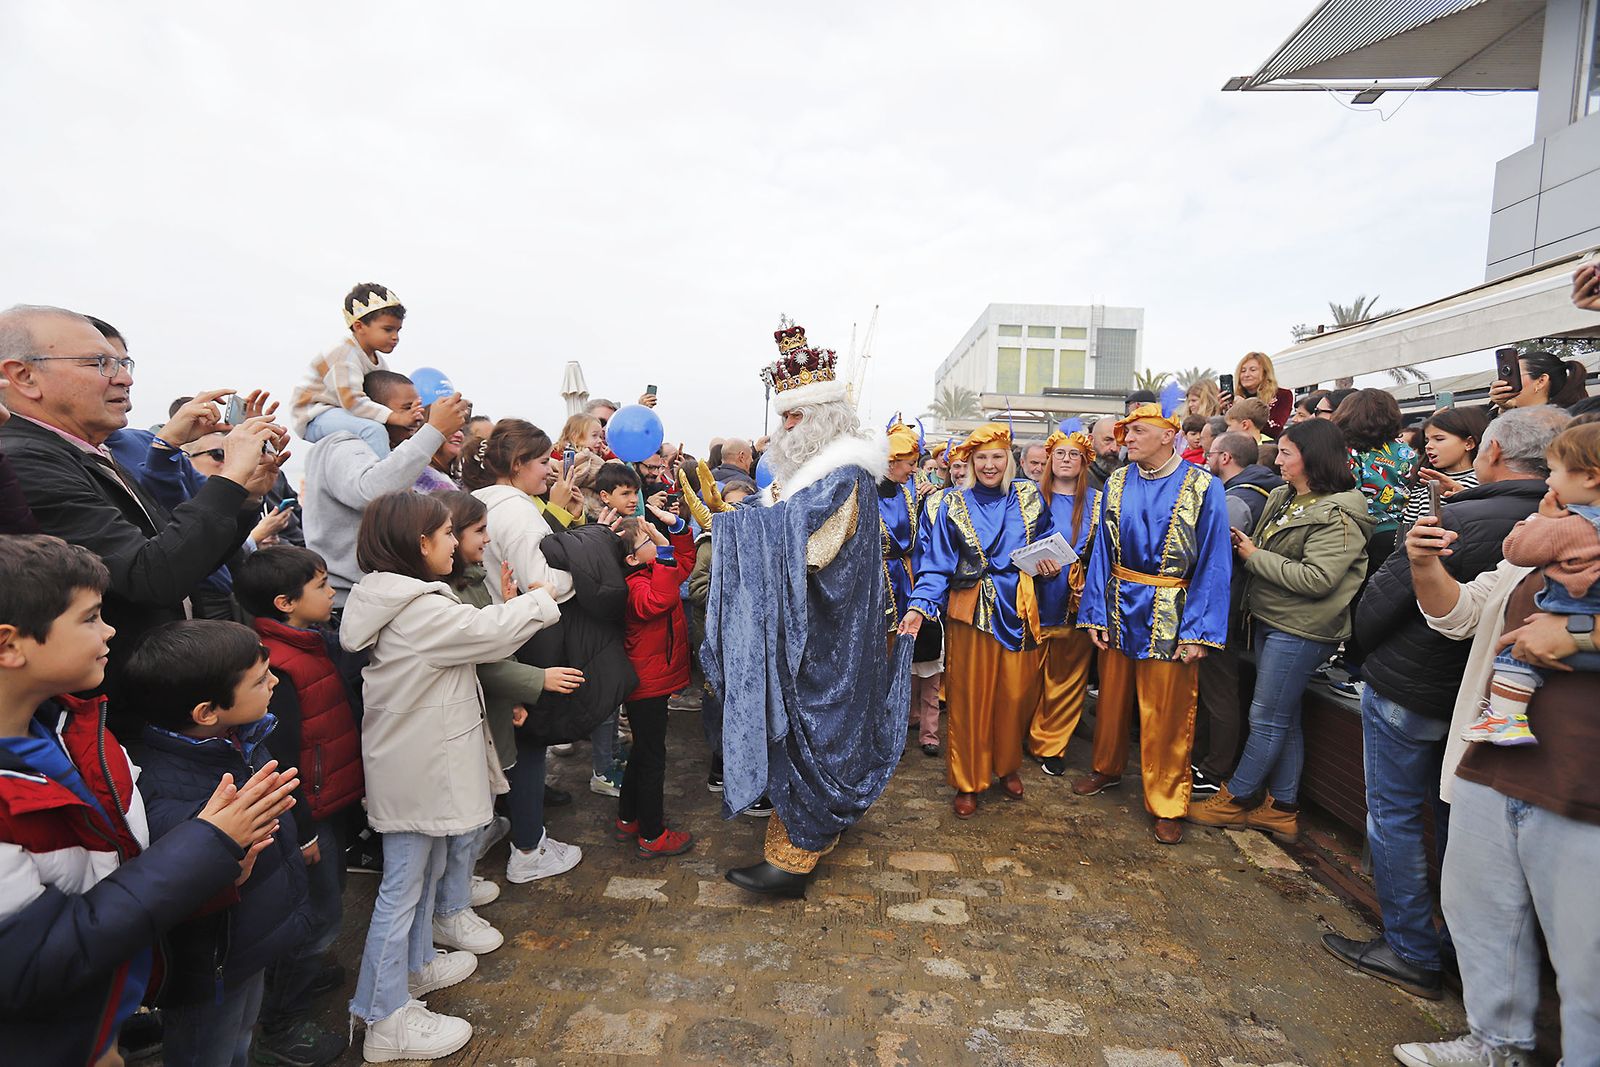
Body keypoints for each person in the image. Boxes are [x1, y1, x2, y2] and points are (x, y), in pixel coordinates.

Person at [0, 535, 297, 1067]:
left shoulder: (80, 731)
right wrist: (209, 847)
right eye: (91, 617)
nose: (110, 629)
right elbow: (29, 961)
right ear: (10, 646)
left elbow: (120, 865)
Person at [1327, 405, 1562, 1001]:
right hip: (1487, 702)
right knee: (1459, 821)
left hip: (1414, 685)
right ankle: (1457, 949)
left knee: (1397, 815)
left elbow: (1386, 597)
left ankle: (1409, 947)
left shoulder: (1458, 516)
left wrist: (1362, 649)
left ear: (1493, 452)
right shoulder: (1547, 524)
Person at [1392, 454, 1599, 1067]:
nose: (1548, 481)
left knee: (1586, 951)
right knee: (1481, 911)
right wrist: (1424, 564)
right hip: (1495, 756)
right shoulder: (1541, 538)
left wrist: (1582, 637)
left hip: (1581, 780)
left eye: (1562, 467)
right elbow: (1461, 615)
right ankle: (1495, 1045)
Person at [339, 491, 561, 1062]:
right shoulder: (418, 608)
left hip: (420, 763)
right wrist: (539, 598)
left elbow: (484, 634)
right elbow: (486, 633)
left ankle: (413, 971)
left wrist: (518, 607)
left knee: (424, 872)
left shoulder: (409, 601)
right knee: (403, 888)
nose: (457, 543)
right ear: (420, 544)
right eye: (446, 533)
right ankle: (385, 1019)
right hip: (417, 770)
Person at [0, 305, 288, 724]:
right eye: (100, 363)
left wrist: (244, 496)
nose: (124, 378)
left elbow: (188, 558)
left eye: (123, 363)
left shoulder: (91, 452)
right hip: (114, 713)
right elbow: (152, 577)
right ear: (24, 376)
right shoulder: (26, 460)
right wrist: (229, 477)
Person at [703, 318, 909, 898]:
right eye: (785, 416)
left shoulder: (839, 476)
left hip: (828, 636)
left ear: (820, 420)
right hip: (821, 626)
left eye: (795, 418)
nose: (785, 427)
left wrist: (738, 530)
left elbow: (806, 549)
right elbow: (784, 527)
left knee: (820, 731)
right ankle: (816, 828)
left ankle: (795, 857)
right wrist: (745, 521)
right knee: (815, 731)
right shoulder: (810, 476)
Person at [125, 620, 346, 1067]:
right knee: (208, 1048)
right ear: (207, 711)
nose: (275, 682)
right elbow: (185, 874)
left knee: (240, 1034)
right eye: (260, 679)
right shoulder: (161, 787)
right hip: (212, 962)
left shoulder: (239, 739)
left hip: (249, 943)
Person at [1186, 419, 1372, 842]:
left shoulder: (1339, 512)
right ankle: (1282, 806)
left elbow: (1317, 579)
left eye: (1287, 452)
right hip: (1274, 618)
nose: (1277, 459)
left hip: (1301, 628)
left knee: (1266, 717)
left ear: (1314, 458)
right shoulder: (1288, 496)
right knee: (1283, 719)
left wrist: (1252, 555)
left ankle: (1237, 797)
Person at [1071, 404, 1231, 845]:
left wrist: (1200, 630)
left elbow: (1215, 561)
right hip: (1121, 604)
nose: (1128, 438)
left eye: (1138, 431)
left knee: (1168, 710)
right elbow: (1101, 553)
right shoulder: (1118, 481)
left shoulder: (1203, 486)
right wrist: (1094, 614)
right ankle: (1105, 768)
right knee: (1111, 697)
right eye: (1126, 432)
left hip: (1173, 611)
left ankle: (1166, 800)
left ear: (1168, 436)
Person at [233, 546, 365, 1051]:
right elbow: (281, 755)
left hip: (327, 801)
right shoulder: (280, 667)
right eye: (322, 586)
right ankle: (282, 1023)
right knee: (318, 914)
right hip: (305, 812)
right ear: (286, 602)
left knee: (322, 904)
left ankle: (298, 979)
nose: (333, 592)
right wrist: (303, 828)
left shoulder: (310, 645)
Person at [903, 423, 1061, 816]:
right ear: (970, 463)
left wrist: (1050, 566)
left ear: (1010, 460)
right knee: (970, 699)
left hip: (1019, 608)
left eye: (997, 457)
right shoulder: (949, 504)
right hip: (969, 610)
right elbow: (936, 565)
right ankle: (968, 779)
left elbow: (1049, 543)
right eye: (981, 458)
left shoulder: (1029, 497)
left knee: (1015, 696)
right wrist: (919, 606)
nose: (990, 465)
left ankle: (1006, 765)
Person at [440, 491, 583, 889]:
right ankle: (513, 860)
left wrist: (507, 606)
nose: (487, 539)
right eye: (478, 531)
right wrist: (537, 680)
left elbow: (490, 640)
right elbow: (479, 657)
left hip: (488, 708)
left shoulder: (472, 580)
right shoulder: (447, 596)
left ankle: (464, 880)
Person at [1462, 423, 1600, 746]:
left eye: (1553, 472)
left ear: (1590, 478)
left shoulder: (1573, 527)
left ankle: (1506, 718)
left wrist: (1541, 520)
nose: (1547, 481)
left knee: (1514, 655)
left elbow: (1518, 550)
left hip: (1568, 627)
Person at [301, 370, 470, 608]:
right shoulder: (343, 444)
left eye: (419, 406)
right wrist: (434, 432)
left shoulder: (384, 451)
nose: (418, 415)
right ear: (371, 410)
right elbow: (372, 493)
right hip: (348, 602)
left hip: (373, 598)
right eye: (406, 407)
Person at [1190, 431, 1283, 795]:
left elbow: (1207, 554)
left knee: (1218, 688)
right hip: (1239, 606)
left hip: (1223, 606)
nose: (1206, 459)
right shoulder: (1261, 492)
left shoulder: (1235, 501)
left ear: (1225, 458)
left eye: (1210, 453)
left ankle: (1214, 769)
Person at [616, 516, 697, 856]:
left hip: (653, 681)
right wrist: (663, 550)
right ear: (632, 559)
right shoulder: (634, 586)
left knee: (643, 750)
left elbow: (685, 564)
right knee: (652, 758)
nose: (655, 542)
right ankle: (652, 835)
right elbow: (659, 601)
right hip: (645, 686)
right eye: (647, 540)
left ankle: (628, 817)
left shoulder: (652, 571)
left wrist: (675, 529)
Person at [1028, 430, 1099, 777]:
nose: (1066, 459)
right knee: (1026, 673)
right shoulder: (1027, 497)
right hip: (1032, 595)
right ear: (1049, 459)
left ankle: (1052, 744)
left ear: (1084, 461)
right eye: (1060, 453)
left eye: (1074, 454)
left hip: (1076, 598)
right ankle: (1019, 733)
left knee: (1068, 676)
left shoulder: (1098, 502)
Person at [289, 284, 411, 457]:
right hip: (315, 415)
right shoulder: (343, 353)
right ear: (359, 326)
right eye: (388, 329)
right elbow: (352, 402)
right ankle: (383, 481)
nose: (395, 337)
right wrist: (397, 417)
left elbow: (381, 400)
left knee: (392, 430)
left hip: (343, 413)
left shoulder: (379, 361)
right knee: (374, 430)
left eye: (398, 330)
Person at [880, 423, 935, 752]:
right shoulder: (863, 489)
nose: (915, 469)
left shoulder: (910, 491)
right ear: (891, 461)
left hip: (903, 577)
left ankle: (895, 727)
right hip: (873, 581)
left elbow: (919, 542)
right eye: (910, 463)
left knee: (901, 655)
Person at [1399, 406, 1489, 527]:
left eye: (1439, 439)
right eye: (1427, 440)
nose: (1428, 446)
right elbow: (1406, 531)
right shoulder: (1423, 482)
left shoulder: (1483, 482)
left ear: (1469, 443)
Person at [1488, 348, 1590, 412]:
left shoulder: (1561, 424)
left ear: (1541, 381)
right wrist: (1504, 410)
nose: (1505, 383)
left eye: (1515, 376)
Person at [1223, 351, 1294, 435]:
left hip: (1265, 446)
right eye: (1242, 371)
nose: (1246, 374)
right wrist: (1220, 411)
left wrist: (1245, 408)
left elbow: (1275, 429)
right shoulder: (1233, 399)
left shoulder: (1282, 395)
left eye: (1253, 370)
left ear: (1265, 373)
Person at [1086, 415, 1122, 494]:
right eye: (1108, 440)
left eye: (1119, 442)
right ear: (1091, 440)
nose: (1114, 448)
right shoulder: (1078, 476)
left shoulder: (1126, 476)